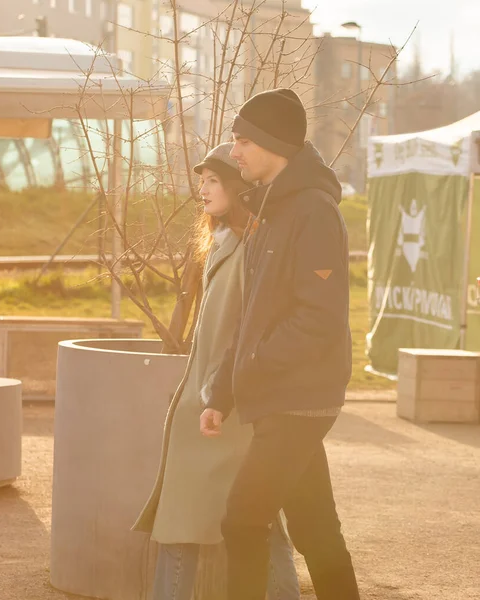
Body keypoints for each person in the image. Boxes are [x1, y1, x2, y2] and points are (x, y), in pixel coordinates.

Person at [199, 89, 360, 600]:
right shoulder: (271, 212)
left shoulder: (313, 211)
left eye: (243, 140)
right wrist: (222, 392)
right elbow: (253, 316)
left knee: (242, 523)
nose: (235, 151)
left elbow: (319, 318)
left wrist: (252, 369)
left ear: (273, 145)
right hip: (282, 396)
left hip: (299, 399)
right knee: (316, 530)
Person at [133, 143, 300, 600]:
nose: (201, 190)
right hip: (215, 407)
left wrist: (216, 393)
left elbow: (251, 333)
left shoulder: (253, 249)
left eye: (212, 180)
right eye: (200, 180)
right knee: (254, 522)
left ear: (238, 187)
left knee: (189, 525)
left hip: (220, 409)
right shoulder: (227, 245)